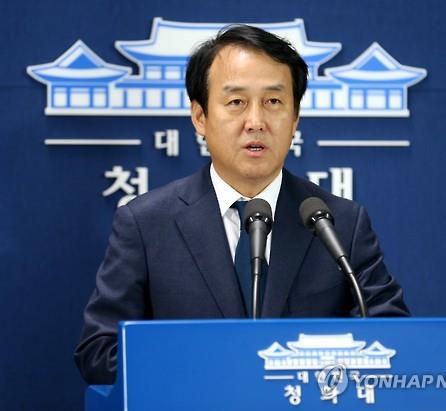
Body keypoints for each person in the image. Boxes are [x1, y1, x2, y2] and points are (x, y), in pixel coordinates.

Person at [74, 25, 409, 385]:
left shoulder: (340, 223)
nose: (256, 122)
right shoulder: (145, 224)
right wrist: (214, 367)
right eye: (236, 102)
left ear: (295, 118)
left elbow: (393, 340)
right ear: (200, 117)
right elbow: (100, 353)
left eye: (273, 102)